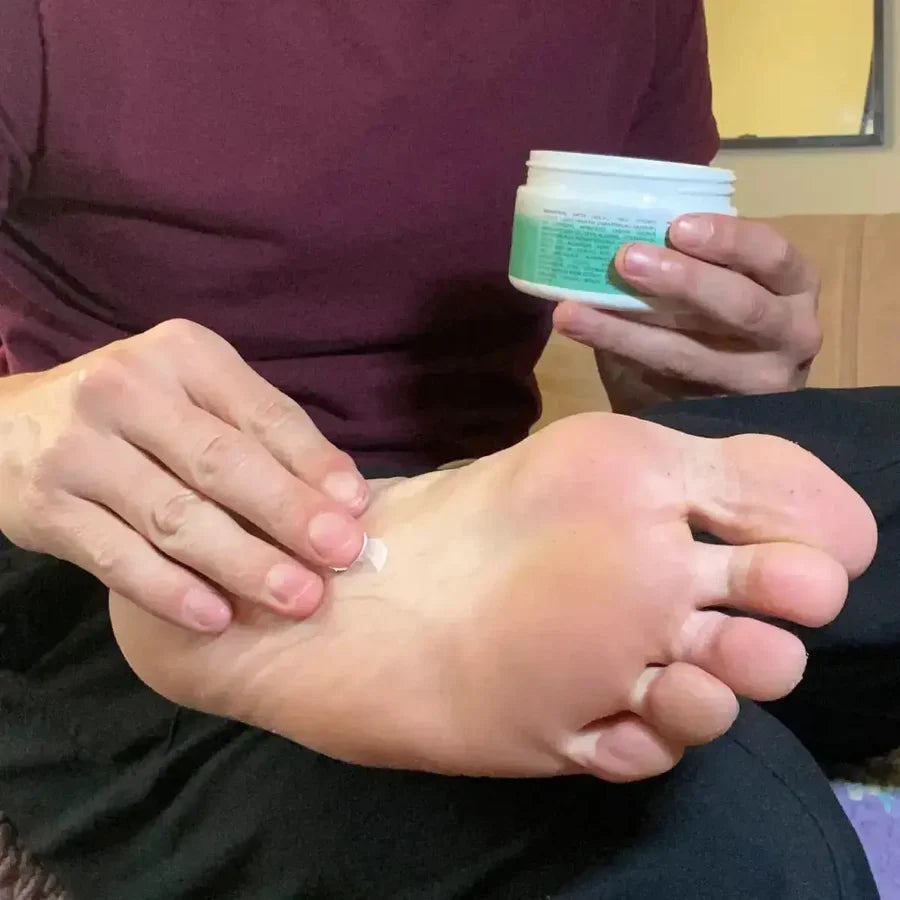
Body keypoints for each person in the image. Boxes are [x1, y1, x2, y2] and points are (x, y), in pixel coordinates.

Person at [0, 0, 895, 897]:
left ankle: (445, 561)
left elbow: (651, 365)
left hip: (503, 507)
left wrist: (709, 379)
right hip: (123, 534)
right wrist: (21, 423)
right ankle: (325, 599)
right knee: (718, 842)